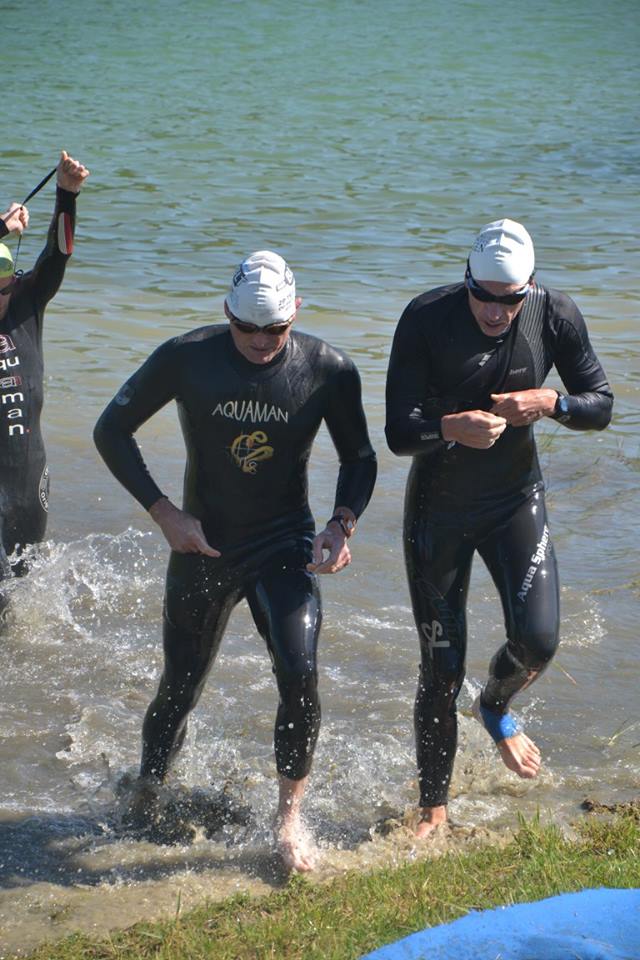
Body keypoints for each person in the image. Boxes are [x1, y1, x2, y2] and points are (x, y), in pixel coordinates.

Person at [94, 250, 377, 870]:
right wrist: (164, 513)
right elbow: (111, 430)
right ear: (227, 312)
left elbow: (360, 458)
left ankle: (288, 820)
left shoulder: (328, 369)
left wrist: (341, 525)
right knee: (180, 686)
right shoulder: (186, 357)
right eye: (246, 327)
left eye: (275, 329)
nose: (260, 341)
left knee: (300, 673)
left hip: (283, 544)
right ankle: (148, 792)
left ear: (295, 314)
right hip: (205, 544)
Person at [385, 219, 612, 837]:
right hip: (438, 509)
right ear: (467, 280)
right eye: (481, 295)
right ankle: (434, 809)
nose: (493, 311)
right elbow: (399, 432)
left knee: (538, 641)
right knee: (441, 668)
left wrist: (551, 403)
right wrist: (449, 428)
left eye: (508, 300)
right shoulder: (426, 317)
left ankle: (493, 705)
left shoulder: (554, 315)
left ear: (529, 288)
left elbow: (600, 404)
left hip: (515, 501)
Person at [0, 151, 89, 582]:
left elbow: (60, 252)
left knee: (22, 587)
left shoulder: (27, 302)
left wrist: (66, 195)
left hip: (27, 478)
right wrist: (1, 226)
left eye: (4, 287)